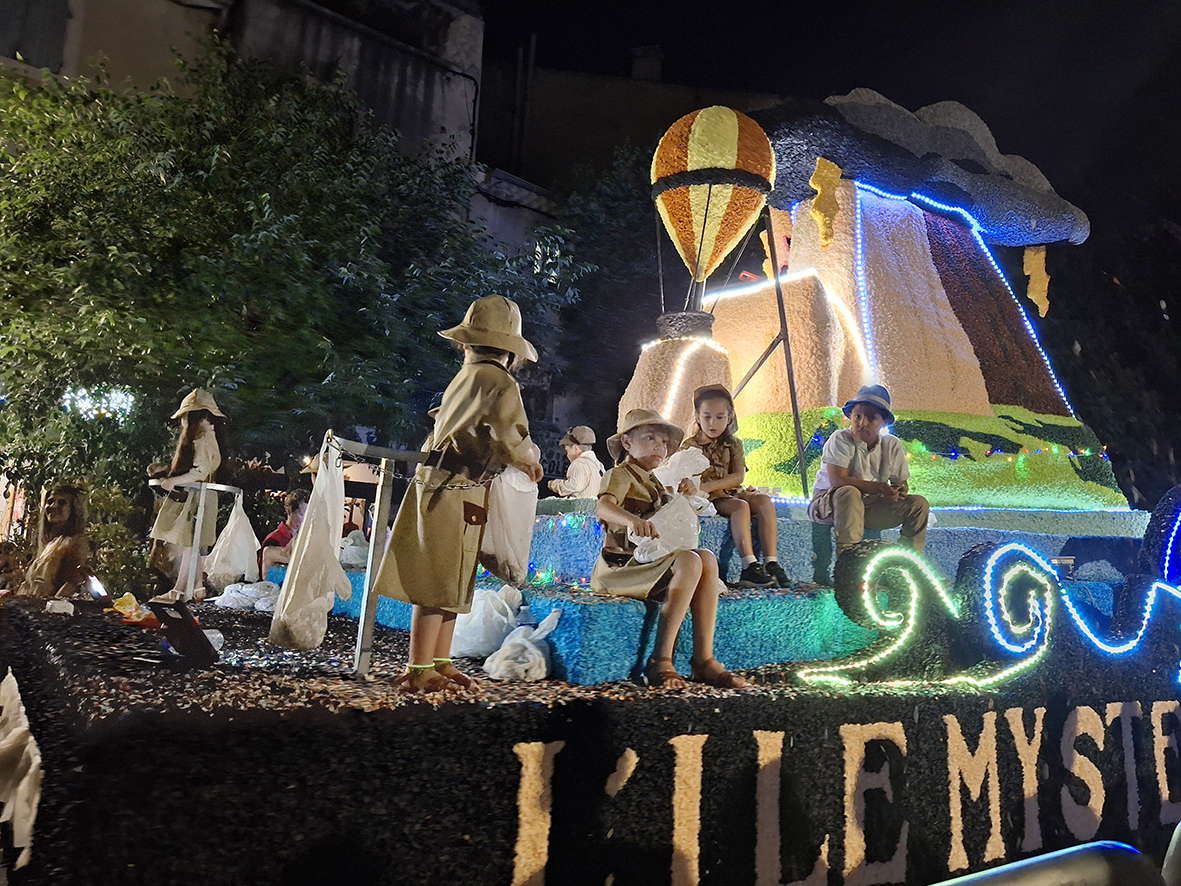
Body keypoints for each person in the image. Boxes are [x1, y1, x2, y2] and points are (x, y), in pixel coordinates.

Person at [371, 295, 543, 693]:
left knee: (451, 579)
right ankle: (420, 668)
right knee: (440, 582)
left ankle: (439, 662)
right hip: (455, 487)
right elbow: (509, 432)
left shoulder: (464, 379)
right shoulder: (499, 381)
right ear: (511, 352)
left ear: (467, 343)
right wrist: (526, 460)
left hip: (449, 485)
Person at [592, 408, 747, 690]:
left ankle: (703, 659)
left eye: (663, 442)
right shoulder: (621, 474)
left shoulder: (654, 481)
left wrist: (685, 495)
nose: (659, 446)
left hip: (648, 562)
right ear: (626, 442)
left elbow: (669, 516)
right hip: (621, 566)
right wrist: (632, 521)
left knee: (707, 559)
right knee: (689, 560)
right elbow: (603, 506)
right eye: (650, 438)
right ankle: (660, 659)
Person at [681, 384, 786, 588]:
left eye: (720, 417)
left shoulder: (734, 444)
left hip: (729, 491)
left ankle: (771, 562)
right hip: (710, 498)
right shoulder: (690, 446)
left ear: (729, 417)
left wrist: (713, 485)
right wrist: (707, 488)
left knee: (763, 500)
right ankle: (749, 564)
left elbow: (738, 476)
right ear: (698, 417)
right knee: (740, 507)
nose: (713, 423)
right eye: (707, 417)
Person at [808, 384, 929, 555]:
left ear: (884, 422)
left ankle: (910, 558)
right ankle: (848, 557)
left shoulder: (891, 444)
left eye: (872, 419)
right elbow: (837, 480)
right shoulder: (840, 438)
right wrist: (879, 487)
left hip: (870, 507)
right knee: (849, 492)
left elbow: (901, 483)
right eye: (857, 416)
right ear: (850, 416)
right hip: (829, 506)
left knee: (918, 504)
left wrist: (897, 492)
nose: (862, 423)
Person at [149, 389, 227, 600]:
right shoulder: (209, 438)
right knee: (191, 543)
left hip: (199, 496)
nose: (183, 421)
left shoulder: (204, 439)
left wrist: (172, 481)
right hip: (200, 495)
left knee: (190, 544)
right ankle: (198, 587)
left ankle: (179, 590)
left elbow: (200, 471)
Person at [15, 484, 92, 598]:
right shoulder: (50, 543)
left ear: (73, 510)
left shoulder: (73, 542)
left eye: (62, 503)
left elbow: (72, 583)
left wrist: (53, 605)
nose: (54, 506)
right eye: (50, 501)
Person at [260, 489, 310, 578]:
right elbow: (266, 576)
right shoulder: (273, 539)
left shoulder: (303, 537)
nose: (305, 520)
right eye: (302, 515)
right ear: (288, 511)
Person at [548, 426, 605, 498]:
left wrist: (554, 484)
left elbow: (574, 485)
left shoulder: (578, 463)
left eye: (567, 451)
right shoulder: (599, 465)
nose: (567, 455)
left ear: (575, 448)